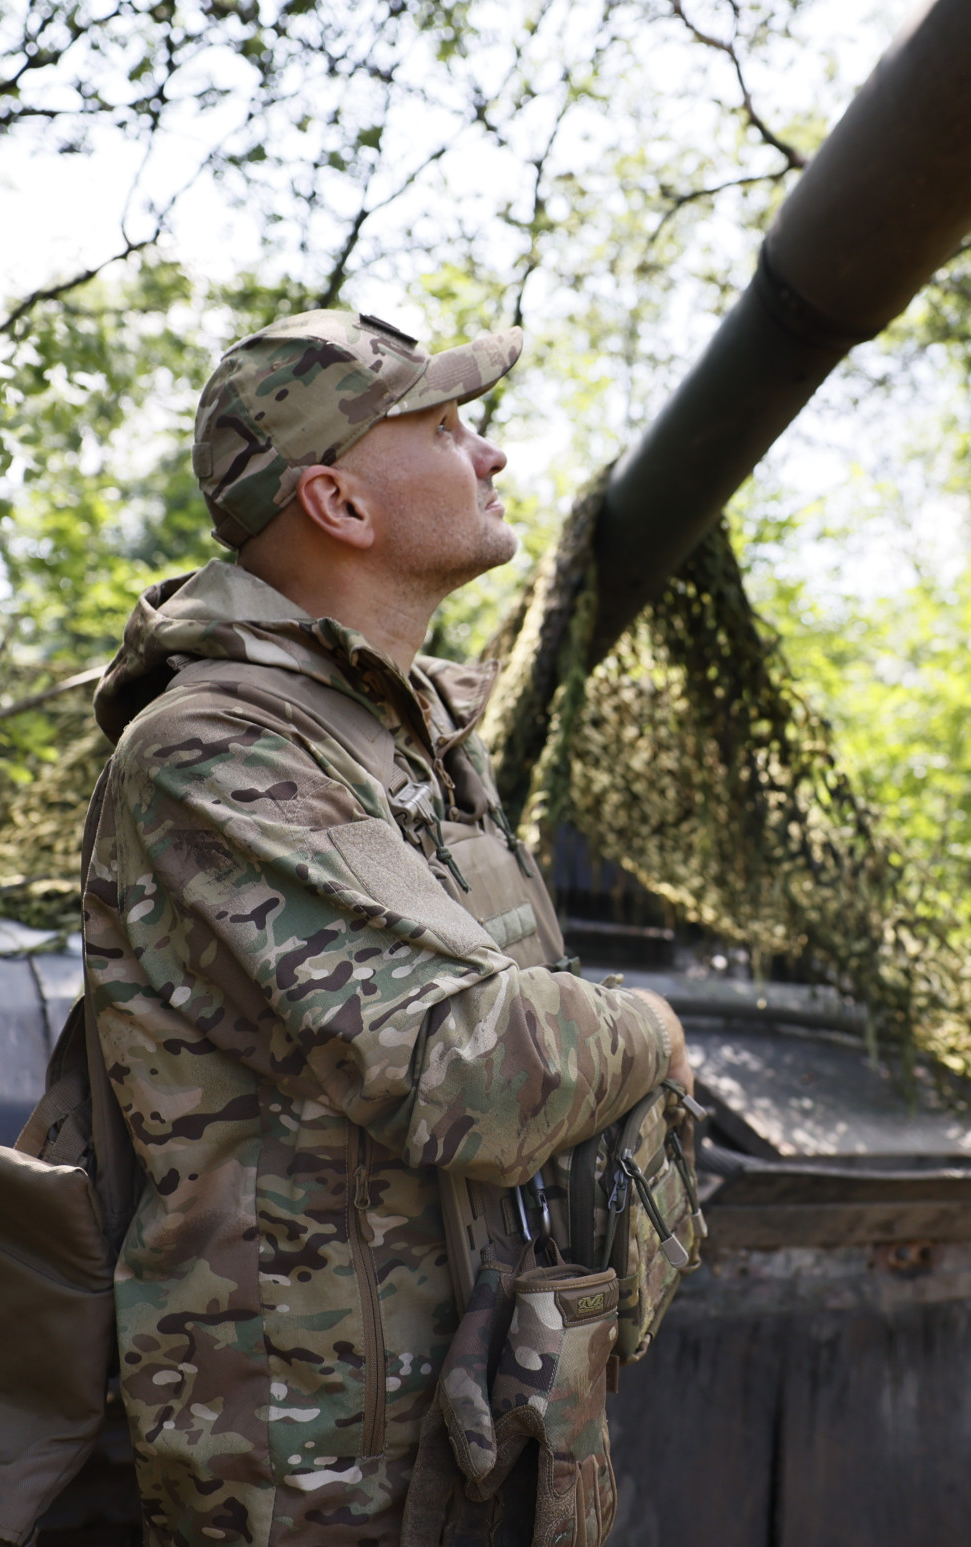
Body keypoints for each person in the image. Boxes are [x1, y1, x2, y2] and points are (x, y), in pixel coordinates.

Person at [79, 310, 692, 1545]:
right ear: (339, 504)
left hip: (470, 1432)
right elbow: (475, 1065)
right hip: (314, 1473)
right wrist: (653, 1029)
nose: (491, 455)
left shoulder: (398, 737)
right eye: (448, 427)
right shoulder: (215, 748)